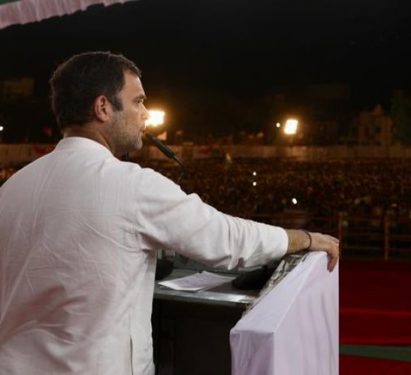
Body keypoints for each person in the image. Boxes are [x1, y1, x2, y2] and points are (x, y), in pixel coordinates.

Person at [0, 51, 340, 375]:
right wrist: (302, 238)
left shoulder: (12, 188)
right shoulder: (132, 185)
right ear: (103, 107)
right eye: (138, 101)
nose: (145, 114)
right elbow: (225, 241)